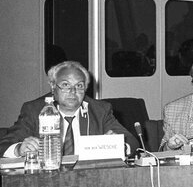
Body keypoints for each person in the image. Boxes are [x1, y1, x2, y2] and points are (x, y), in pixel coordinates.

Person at [0, 61, 140, 157]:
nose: (73, 92)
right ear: (53, 87)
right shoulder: (34, 110)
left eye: (79, 86)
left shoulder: (100, 110)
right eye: (66, 85)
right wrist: (19, 149)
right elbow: (4, 145)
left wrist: (120, 145)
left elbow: (132, 142)